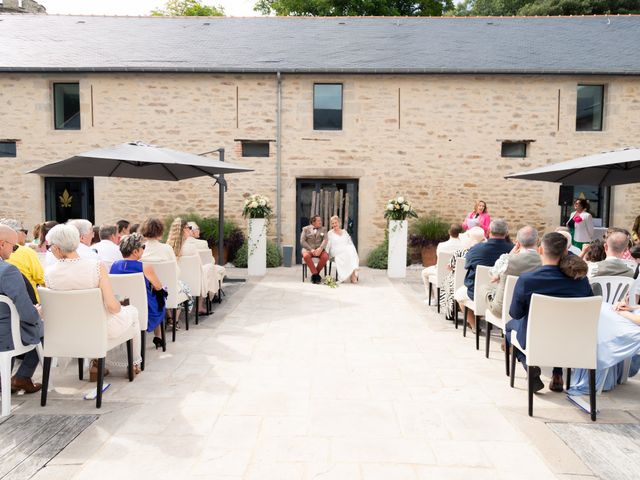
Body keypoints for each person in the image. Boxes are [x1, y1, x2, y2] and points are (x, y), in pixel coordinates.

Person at [45, 224, 141, 378]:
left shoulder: (49, 273)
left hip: (68, 331)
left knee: (96, 318)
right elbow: (112, 306)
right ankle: (134, 364)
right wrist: (121, 308)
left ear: (56, 248)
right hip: (98, 329)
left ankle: (96, 365)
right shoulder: (95, 267)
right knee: (132, 312)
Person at [506, 232, 594, 393]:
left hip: (536, 338)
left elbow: (516, 313)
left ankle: (529, 366)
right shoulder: (580, 280)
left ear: (540, 250)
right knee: (561, 325)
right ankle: (557, 374)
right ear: (566, 252)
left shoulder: (527, 280)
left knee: (509, 327)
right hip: (573, 340)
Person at [0, 225, 43, 394]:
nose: (15, 250)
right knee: (44, 328)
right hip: (6, 337)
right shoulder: (7, 271)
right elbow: (27, 314)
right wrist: (37, 313)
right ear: (2, 244)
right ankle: (22, 377)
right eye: (14, 246)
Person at [110, 233, 166, 350]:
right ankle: (158, 336)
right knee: (161, 295)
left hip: (122, 306)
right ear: (135, 251)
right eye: (143, 247)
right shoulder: (145, 266)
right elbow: (158, 286)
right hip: (145, 308)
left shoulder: (114, 265)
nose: (144, 249)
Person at [458, 219, 514, 329]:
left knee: (459, 294)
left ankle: (474, 326)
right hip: (504, 295)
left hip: (477, 292)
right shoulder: (512, 250)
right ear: (506, 233)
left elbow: (467, 266)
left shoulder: (476, 249)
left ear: (488, 231)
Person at [486, 226, 541, 317]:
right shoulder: (546, 261)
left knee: (484, 288)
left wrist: (510, 254)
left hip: (503, 309)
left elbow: (492, 274)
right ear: (538, 241)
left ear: (517, 243)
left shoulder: (507, 260)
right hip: (533, 309)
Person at [166, 218, 217, 314]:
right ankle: (200, 306)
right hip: (193, 281)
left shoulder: (168, 247)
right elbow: (199, 266)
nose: (190, 230)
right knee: (209, 268)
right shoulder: (191, 248)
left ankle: (170, 316)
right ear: (183, 230)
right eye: (189, 228)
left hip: (175, 280)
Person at [440, 227, 486, 320]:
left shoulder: (460, 253)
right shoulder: (484, 254)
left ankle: (452, 311)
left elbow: (449, 266)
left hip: (461, 283)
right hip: (480, 283)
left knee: (448, 281)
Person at [0, 218, 45, 302]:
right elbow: (42, 279)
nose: (25, 234)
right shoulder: (26, 252)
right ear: (15, 232)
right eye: (24, 231)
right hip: (28, 302)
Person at [421, 224, 464, 302]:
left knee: (424, 272)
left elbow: (439, 258)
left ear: (449, 232)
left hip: (441, 272)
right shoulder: (463, 246)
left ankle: (432, 298)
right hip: (458, 273)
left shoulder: (442, 245)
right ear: (460, 233)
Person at [326, 215, 359, 283]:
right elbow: (328, 245)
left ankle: (353, 274)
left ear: (339, 223)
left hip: (345, 250)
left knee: (351, 248)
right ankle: (354, 273)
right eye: (333, 223)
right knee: (349, 250)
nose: (334, 224)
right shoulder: (330, 233)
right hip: (335, 250)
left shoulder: (344, 232)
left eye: (336, 222)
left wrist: (348, 248)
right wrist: (326, 253)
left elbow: (349, 242)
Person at [300, 215, 329, 284]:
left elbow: (325, 239)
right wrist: (311, 250)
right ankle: (316, 275)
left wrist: (320, 248)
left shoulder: (323, 229)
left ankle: (314, 275)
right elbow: (302, 241)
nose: (320, 222)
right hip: (308, 249)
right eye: (319, 221)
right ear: (313, 222)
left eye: (320, 220)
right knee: (306, 256)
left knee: (325, 257)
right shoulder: (305, 229)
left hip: (320, 249)